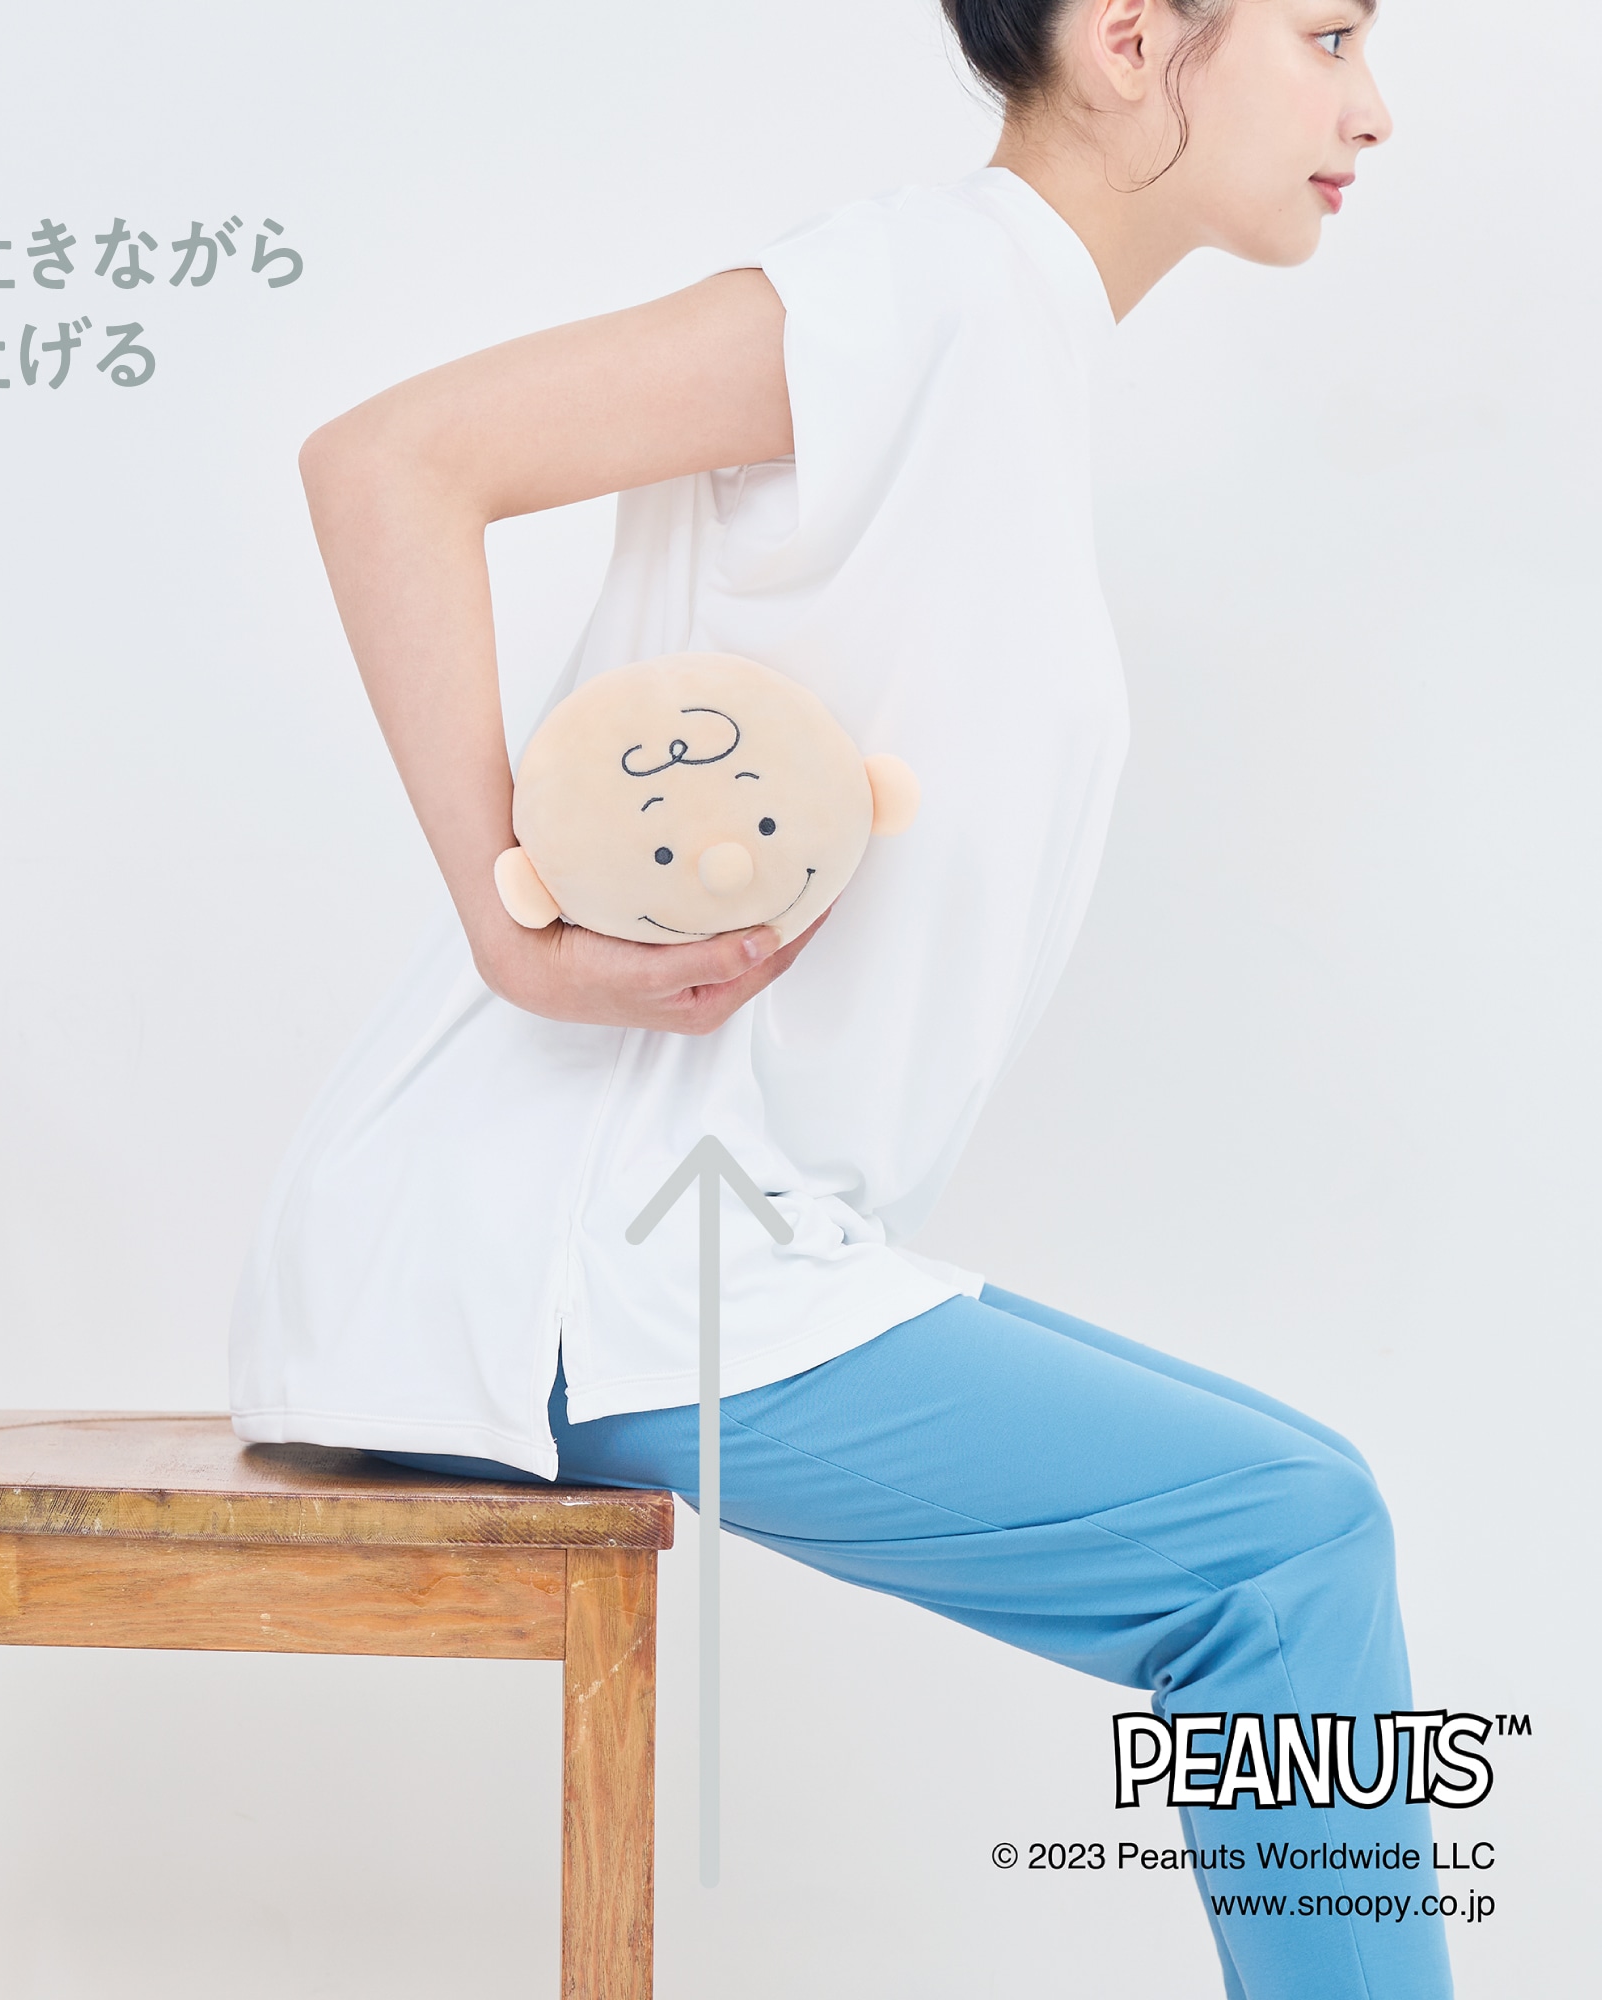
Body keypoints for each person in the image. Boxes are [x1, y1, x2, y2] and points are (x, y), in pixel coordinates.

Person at [233, 4, 1444, 1993]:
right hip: (571, 1258)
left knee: (1306, 1519)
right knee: (1283, 1535)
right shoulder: (924, 293)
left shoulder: (1007, 340)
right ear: (1128, 38)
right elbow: (391, 460)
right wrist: (508, 924)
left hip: (690, 1244)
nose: (1371, 107)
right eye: (1326, 34)